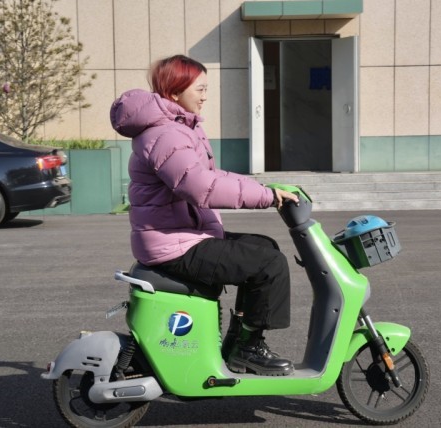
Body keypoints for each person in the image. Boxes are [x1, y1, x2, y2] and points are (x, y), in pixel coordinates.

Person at [109, 55, 299, 376]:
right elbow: (199, 187)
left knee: (264, 247)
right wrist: (266, 198)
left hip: (183, 236)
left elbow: (211, 175)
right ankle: (248, 349)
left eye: (206, 89)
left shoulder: (178, 128)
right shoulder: (166, 135)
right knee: (269, 264)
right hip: (174, 245)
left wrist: (264, 188)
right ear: (174, 92)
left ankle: (240, 343)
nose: (205, 96)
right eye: (200, 89)